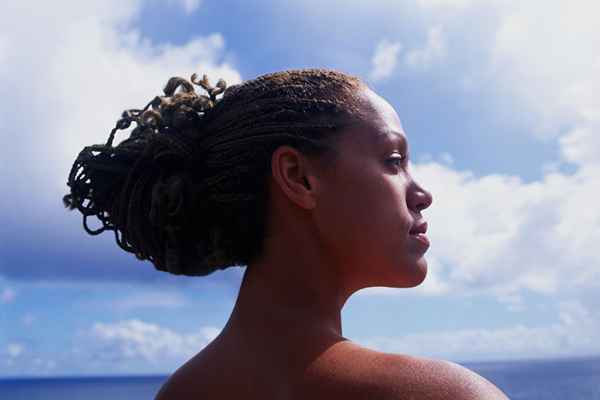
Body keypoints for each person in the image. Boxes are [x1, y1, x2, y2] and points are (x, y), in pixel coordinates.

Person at [64, 68, 508, 399]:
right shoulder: (449, 396)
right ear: (298, 177)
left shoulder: (180, 395)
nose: (422, 193)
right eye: (393, 161)